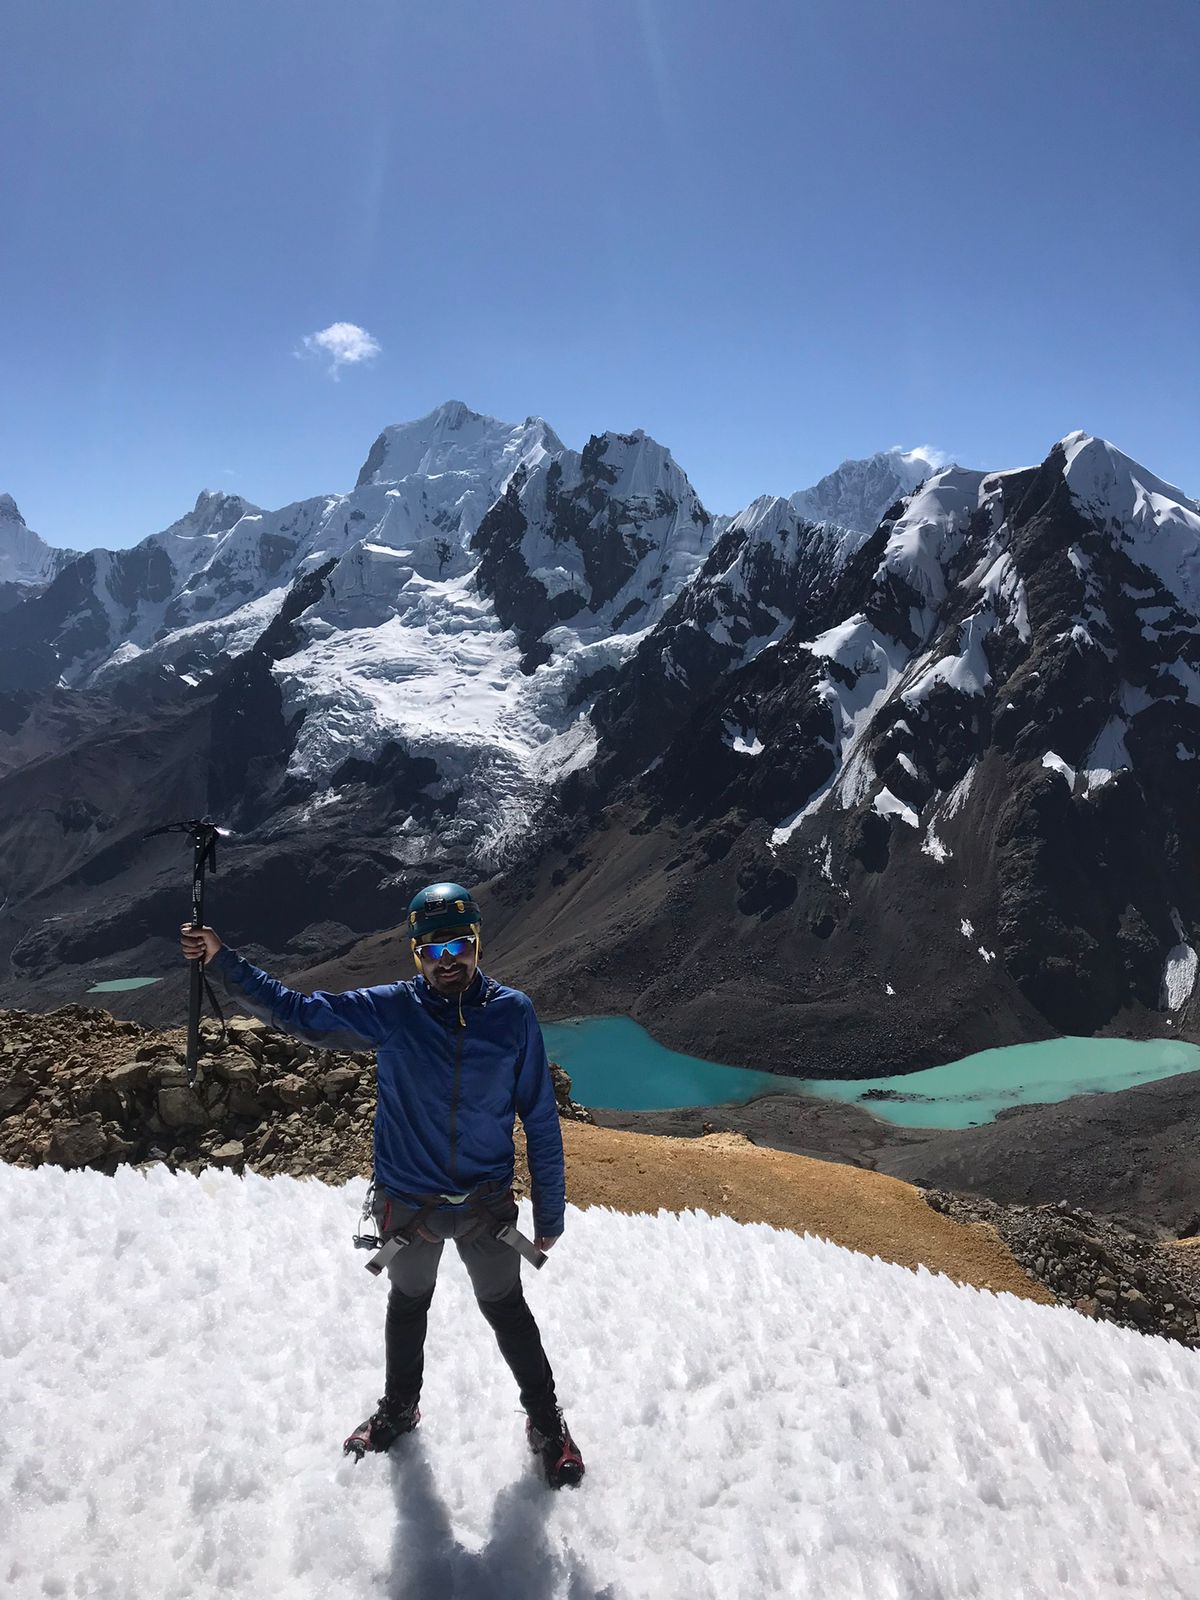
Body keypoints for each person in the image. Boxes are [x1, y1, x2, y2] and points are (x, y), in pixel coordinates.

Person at [179, 880, 584, 1489]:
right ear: (416, 955)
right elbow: (302, 1014)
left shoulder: (513, 1014)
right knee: (409, 1305)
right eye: (434, 951)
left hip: (484, 1205)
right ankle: (400, 1409)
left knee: (505, 1309)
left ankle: (547, 1425)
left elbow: (541, 1118)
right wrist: (222, 959)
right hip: (412, 1201)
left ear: (478, 944)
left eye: (460, 947)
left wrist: (550, 1213)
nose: (449, 963)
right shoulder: (393, 1009)